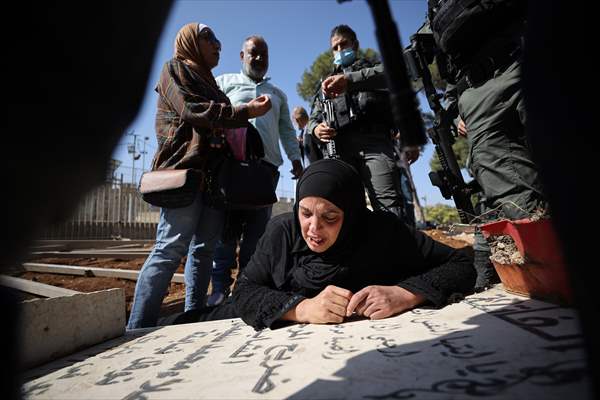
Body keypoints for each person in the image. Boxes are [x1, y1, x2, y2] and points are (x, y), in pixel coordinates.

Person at [168, 159, 476, 329]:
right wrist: (301, 308)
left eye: (330, 217)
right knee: (176, 325)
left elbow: (463, 263)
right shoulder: (283, 232)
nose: (313, 229)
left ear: (352, 214)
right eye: (305, 213)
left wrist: (405, 293)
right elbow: (245, 293)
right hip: (231, 330)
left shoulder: (383, 232)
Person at [127, 23, 272, 329]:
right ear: (190, 41)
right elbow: (193, 110)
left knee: (204, 250)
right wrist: (244, 112)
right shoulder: (175, 69)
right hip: (186, 171)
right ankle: (137, 327)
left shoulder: (213, 85)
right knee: (170, 249)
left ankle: (193, 318)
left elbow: (224, 119)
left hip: (214, 179)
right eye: (210, 37)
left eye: (219, 38)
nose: (218, 44)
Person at [428, 0, 548, 291]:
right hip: (479, 92)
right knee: (519, 208)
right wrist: (458, 109)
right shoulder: (438, 11)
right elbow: (437, 59)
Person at [206, 35, 303, 306]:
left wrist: (295, 159)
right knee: (226, 233)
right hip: (231, 168)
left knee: (256, 234)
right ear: (241, 56)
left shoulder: (278, 95)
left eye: (264, 54)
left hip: (265, 171)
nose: (259, 58)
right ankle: (219, 290)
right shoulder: (224, 83)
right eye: (253, 53)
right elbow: (211, 115)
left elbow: (286, 130)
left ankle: (246, 289)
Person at [307, 25, 407, 222]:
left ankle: (395, 251)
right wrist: (316, 129)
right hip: (340, 149)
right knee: (345, 209)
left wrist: (350, 80)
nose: (339, 51)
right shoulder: (326, 83)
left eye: (343, 44)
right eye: (334, 48)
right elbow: (313, 118)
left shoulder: (372, 69)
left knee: (388, 208)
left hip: (375, 144)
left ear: (355, 44)